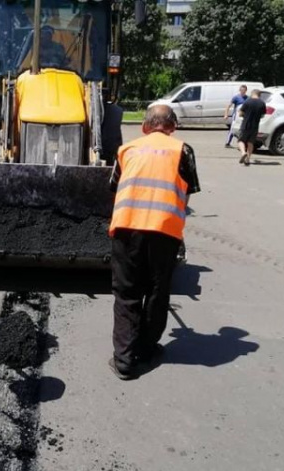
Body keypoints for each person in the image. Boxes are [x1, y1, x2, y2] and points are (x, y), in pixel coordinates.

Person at [108, 105, 201, 380]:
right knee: (157, 292)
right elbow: (188, 192)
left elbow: (115, 187)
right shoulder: (182, 150)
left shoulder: (127, 150)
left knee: (127, 294)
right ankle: (146, 350)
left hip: (127, 228)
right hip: (164, 231)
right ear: (172, 127)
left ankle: (124, 360)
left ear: (145, 126)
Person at [237, 89, 266, 166]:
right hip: (255, 126)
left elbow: (240, 113)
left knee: (241, 141)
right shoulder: (262, 103)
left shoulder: (247, 101)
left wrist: (244, 114)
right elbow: (263, 115)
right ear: (259, 95)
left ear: (252, 94)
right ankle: (248, 159)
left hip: (246, 125)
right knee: (251, 142)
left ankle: (243, 153)